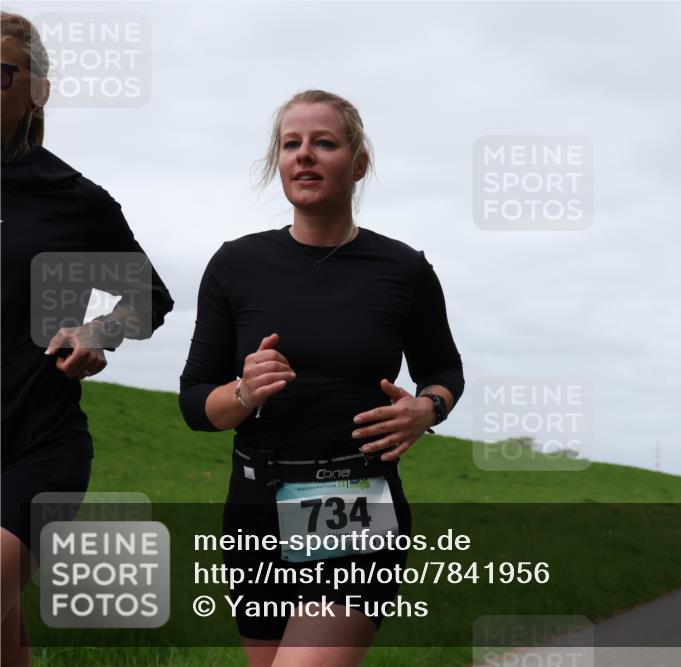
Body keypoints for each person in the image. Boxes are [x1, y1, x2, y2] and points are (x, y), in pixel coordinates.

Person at [179, 89, 463, 667]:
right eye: (291, 144)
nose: (304, 155)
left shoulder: (404, 270)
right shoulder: (235, 265)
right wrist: (243, 392)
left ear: (358, 164)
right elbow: (193, 402)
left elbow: (444, 370)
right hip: (254, 501)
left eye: (324, 143)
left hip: (356, 500)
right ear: (278, 162)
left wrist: (426, 408)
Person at [1, 11, 174, 666]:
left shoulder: (73, 199)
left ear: (37, 89)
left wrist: (98, 330)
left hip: (35, 451)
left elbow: (151, 297)